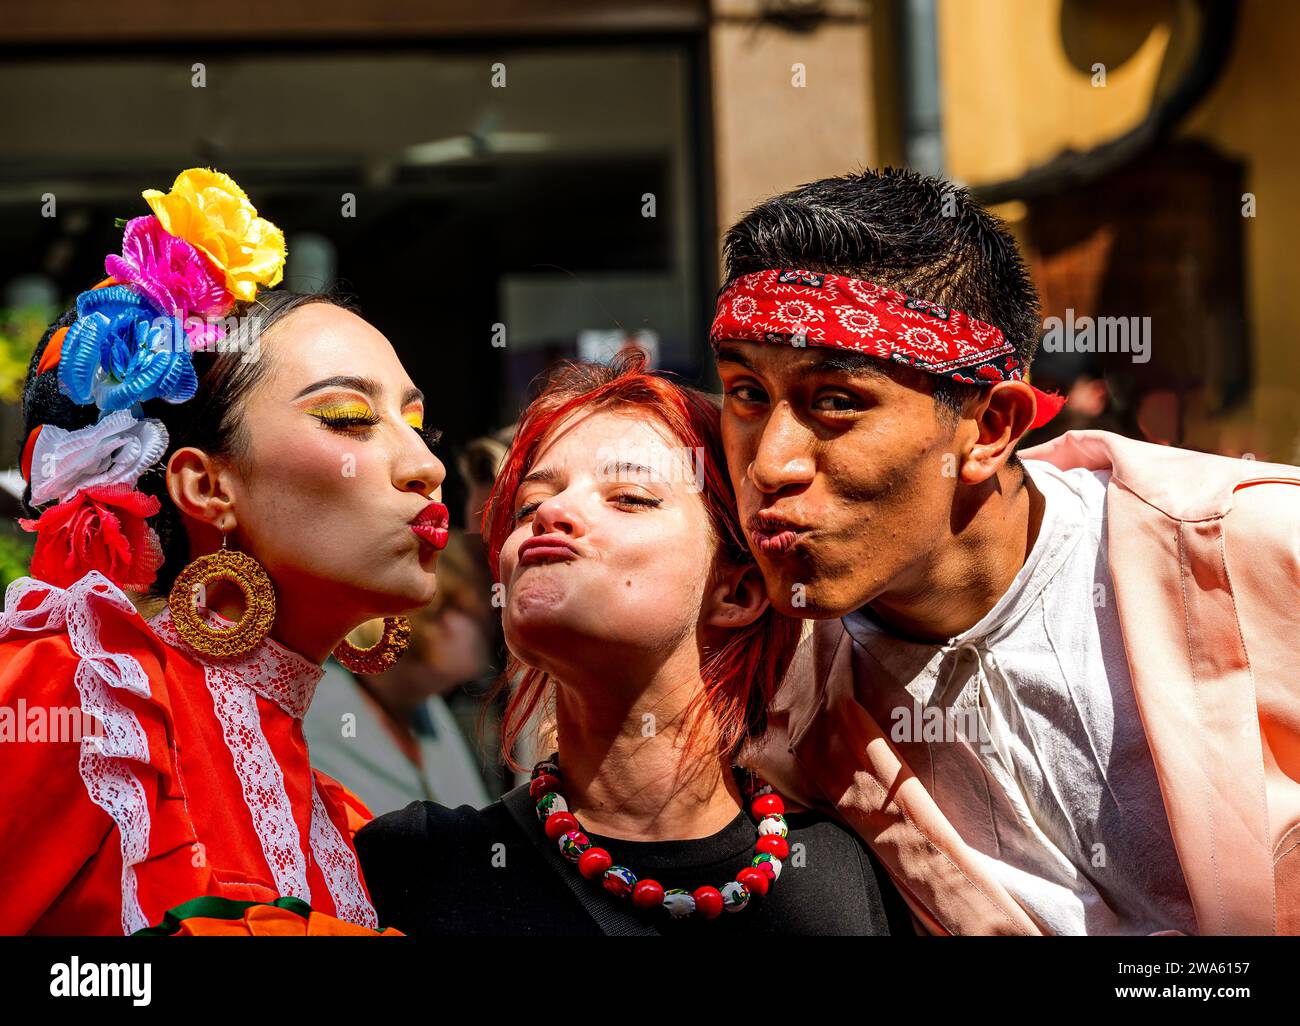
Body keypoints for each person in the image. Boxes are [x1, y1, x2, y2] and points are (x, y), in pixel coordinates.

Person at [711, 167, 1300, 935]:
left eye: (835, 401)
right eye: (747, 394)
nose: (769, 464)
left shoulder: (1258, 550)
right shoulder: (772, 703)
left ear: (989, 429)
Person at [0, 168, 445, 935]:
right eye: (347, 417)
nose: (426, 466)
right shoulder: (78, 698)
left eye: (417, 424)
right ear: (207, 487)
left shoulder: (340, 822)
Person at [355, 353, 912, 935]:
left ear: (738, 591)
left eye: (629, 498)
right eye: (528, 505)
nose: (552, 512)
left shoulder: (843, 879)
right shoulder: (416, 863)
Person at [305, 530, 494, 814]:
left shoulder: (429, 710)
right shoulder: (318, 705)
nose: (488, 630)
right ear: (432, 615)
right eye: (471, 611)